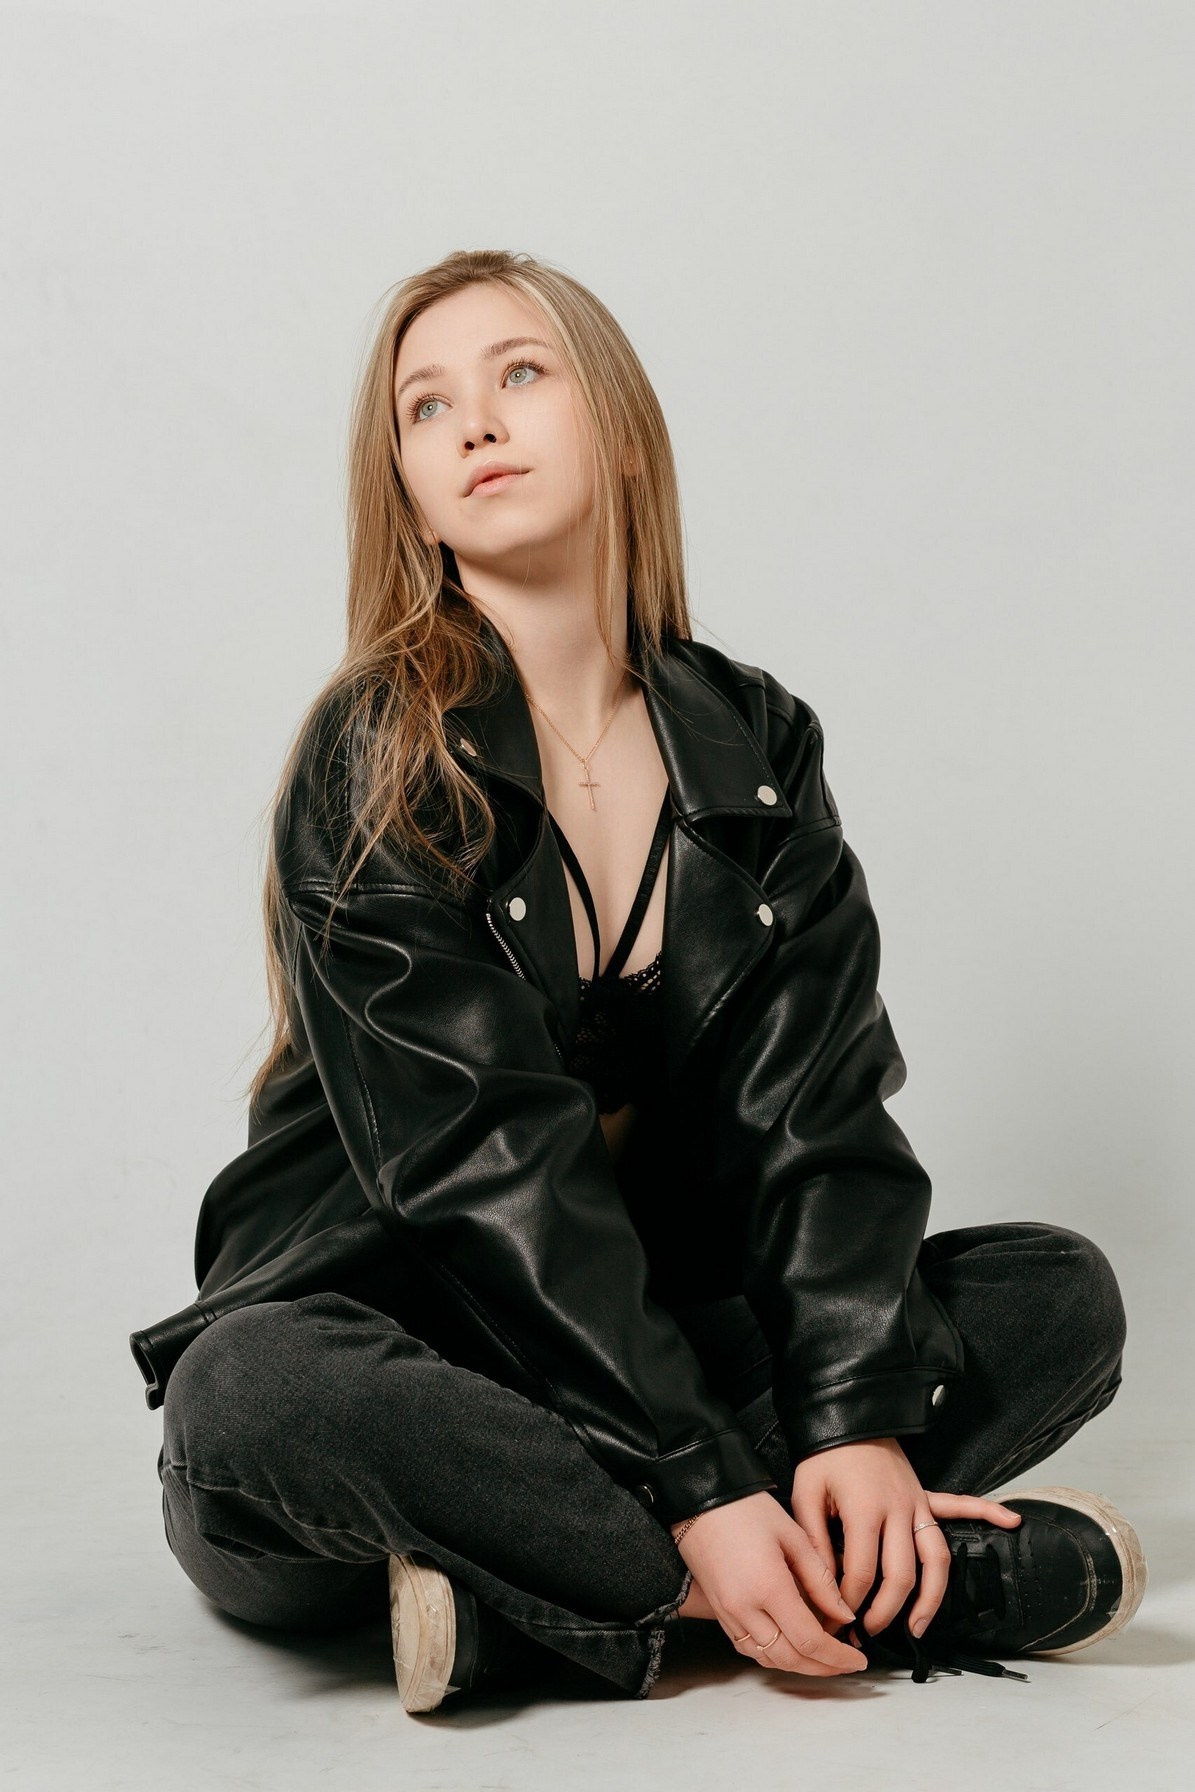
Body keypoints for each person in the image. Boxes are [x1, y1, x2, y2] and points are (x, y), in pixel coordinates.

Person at [130, 249, 1144, 1713]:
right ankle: (770, 1579)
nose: (477, 422)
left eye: (519, 373)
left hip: (645, 1347)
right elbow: (485, 1168)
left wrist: (853, 1419)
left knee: (1056, 1295)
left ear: (615, 426)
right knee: (248, 1390)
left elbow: (817, 1111)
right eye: (427, 407)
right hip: (391, 1368)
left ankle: (531, 1604)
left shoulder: (753, 746)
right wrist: (701, 1479)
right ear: (406, 489)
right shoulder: (379, 754)